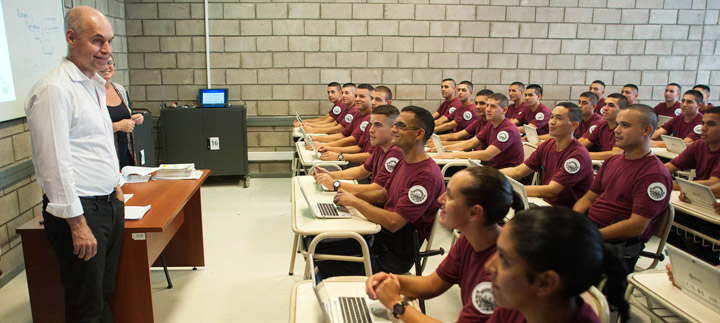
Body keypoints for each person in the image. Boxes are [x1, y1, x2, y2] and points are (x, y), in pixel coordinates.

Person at [24, 6, 124, 322]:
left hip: (107, 206)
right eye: (97, 41)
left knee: (103, 295)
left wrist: (116, 188)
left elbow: (97, 146)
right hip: (81, 214)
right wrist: (78, 225)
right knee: (86, 307)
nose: (106, 50)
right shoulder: (55, 90)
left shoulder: (93, 84)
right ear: (71, 38)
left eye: (108, 41)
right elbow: (53, 164)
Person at [366, 167, 524, 322]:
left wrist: (396, 305)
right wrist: (391, 281)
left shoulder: (498, 270)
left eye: (450, 196)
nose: (440, 199)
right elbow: (433, 283)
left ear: (474, 213)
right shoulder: (469, 239)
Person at [333, 106, 445, 274]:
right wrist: (350, 196)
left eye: (400, 126)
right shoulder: (404, 161)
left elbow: (394, 222)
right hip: (380, 239)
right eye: (395, 125)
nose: (393, 129)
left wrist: (354, 201)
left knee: (324, 259)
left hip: (392, 256)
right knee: (316, 242)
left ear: (419, 134)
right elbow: (383, 194)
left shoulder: (425, 177)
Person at [484, 207, 630, 323]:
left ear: (545, 283)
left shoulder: (517, 299)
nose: (488, 266)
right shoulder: (517, 303)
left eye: (503, 259)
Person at [573, 104, 673, 270]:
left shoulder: (653, 174)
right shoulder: (613, 161)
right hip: (593, 229)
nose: (616, 130)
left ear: (646, 130)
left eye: (625, 125)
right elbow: (589, 197)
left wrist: (591, 236)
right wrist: (574, 222)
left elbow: (636, 226)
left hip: (618, 242)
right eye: (618, 124)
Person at [501, 103, 593, 207]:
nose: (552, 122)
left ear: (574, 125)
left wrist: (506, 188)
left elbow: (551, 190)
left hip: (566, 211)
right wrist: (491, 175)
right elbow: (518, 171)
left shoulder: (578, 155)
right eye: (552, 117)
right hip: (545, 204)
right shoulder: (547, 145)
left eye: (559, 118)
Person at [314, 105, 403, 193]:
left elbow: (377, 188)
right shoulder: (381, 146)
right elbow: (362, 170)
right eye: (371, 124)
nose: (371, 130)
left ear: (393, 128)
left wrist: (335, 184)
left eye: (377, 125)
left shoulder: (395, 152)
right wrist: (329, 175)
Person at [435, 93, 524, 170]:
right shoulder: (490, 124)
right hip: (492, 168)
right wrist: (443, 149)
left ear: (504, 110)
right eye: (488, 105)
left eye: (493, 106)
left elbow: (487, 154)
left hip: (506, 175)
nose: (488, 109)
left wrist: (454, 155)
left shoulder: (508, 130)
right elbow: (470, 143)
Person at [318, 86, 392, 163]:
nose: (373, 102)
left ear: (388, 103)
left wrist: (338, 155)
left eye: (378, 100)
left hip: (362, 163)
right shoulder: (366, 119)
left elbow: (351, 140)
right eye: (372, 98)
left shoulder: (383, 125)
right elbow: (358, 146)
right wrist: (328, 148)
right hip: (362, 164)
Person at [101, 53, 144, 169]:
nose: (107, 67)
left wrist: (136, 118)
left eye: (110, 62)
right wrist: (117, 126)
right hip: (105, 158)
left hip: (125, 153)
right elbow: (90, 130)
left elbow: (126, 114)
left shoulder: (119, 89)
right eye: (102, 63)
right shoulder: (90, 93)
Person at [665, 107, 720, 190]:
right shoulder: (699, 145)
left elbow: (713, 183)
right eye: (703, 123)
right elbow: (670, 167)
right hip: (700, 197)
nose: (703, 128)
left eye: (711, 124)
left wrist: (668, 184)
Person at [579, 93, 627, 160]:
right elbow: (585, 143)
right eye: (604, 104)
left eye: (611, 105)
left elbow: (616, 153)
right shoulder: (602, 124)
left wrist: (583, 154)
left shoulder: (625, 128)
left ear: (622, 110)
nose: (605, 108)